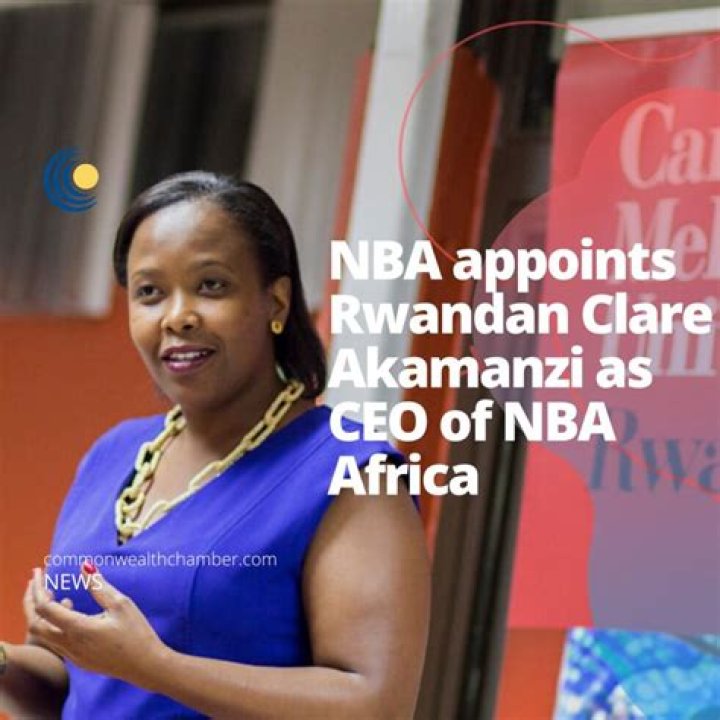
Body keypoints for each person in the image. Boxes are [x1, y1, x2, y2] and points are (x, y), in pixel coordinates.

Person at [0, 172, 430, 718]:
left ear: (276, 301)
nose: (177, 316)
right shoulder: (113, 455)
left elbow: (375, 706)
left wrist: (154, 666)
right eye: (150, 292)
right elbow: (74, 683)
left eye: (211, 286)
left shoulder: (349, 472)